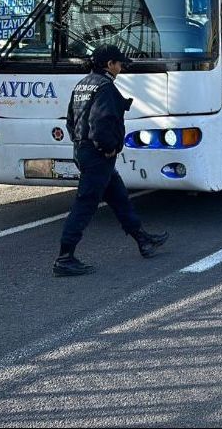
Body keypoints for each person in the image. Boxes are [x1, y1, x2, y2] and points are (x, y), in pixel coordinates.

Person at [54, 45, 168, 277]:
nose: (121, 67)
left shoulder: (83, 84)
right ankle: (64, 258)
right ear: (109, 64)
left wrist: (82, 144)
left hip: (84, 151)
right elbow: (102, 121)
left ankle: (143, 240)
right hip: (98, 155)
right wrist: (108, 148)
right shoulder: (105, 87)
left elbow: (70, 121)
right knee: (85, 204)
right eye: (119, 63)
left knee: (119, 198)